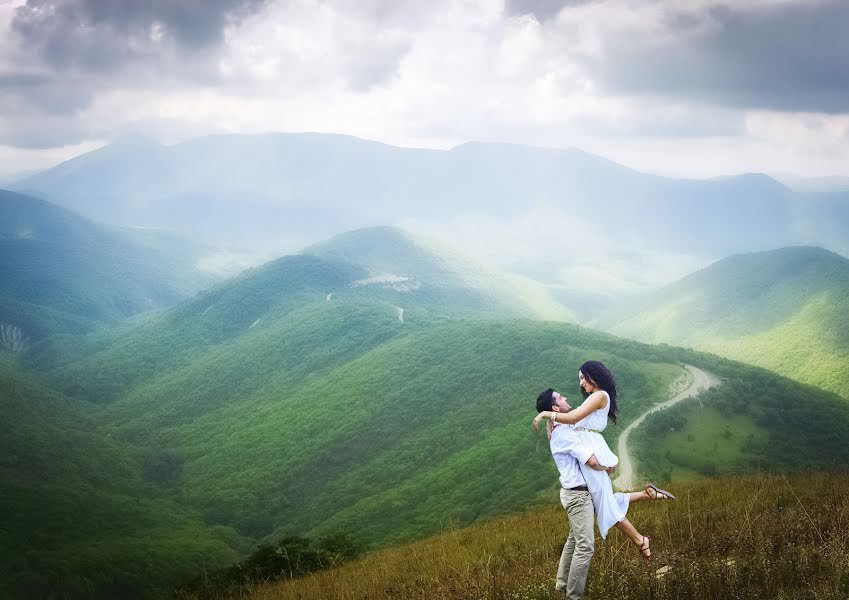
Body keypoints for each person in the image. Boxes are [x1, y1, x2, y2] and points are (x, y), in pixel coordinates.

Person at [534, 361, 675, 566]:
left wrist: (547, 414)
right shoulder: (594, 397)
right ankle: (647, 496)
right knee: (604, 501)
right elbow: (570, 423)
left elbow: (573, 418)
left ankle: (640, 540)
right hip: (590, 452)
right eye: (580, 379)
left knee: (603, 505)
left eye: (583, 378)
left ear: (593, 376)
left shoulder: (600, 396)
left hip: (592, 453)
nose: (581, 383)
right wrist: (552, 422)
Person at [540, 389, 615, 599]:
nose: (566, 398)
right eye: (561, 398)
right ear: (555, 408)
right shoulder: (564, 433)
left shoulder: (559, 426)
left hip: (573, 493)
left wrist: (549, 419)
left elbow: (575, 420)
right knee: (586, 547)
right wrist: (608, 467)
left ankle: (561, 583)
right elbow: (590, 460)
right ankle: (573, 596)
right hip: (578, 496)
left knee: (574, 539)